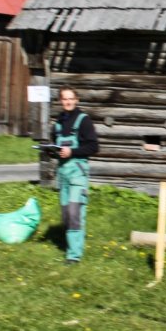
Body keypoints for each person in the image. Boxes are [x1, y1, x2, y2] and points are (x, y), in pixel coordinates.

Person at [52, 86, 99, 265]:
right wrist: (52, 152)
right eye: (65, 99)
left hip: (78, 173)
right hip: (63, 173)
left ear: (77, 100)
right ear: (61, 101)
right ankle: (70, 245)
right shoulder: (58, 123)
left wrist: (72, 152)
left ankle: (74, 255)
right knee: (66, 214)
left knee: (74, 213)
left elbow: (93, 147)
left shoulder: (83, 120)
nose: (68, 102)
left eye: (71, 98)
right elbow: (56, 147)